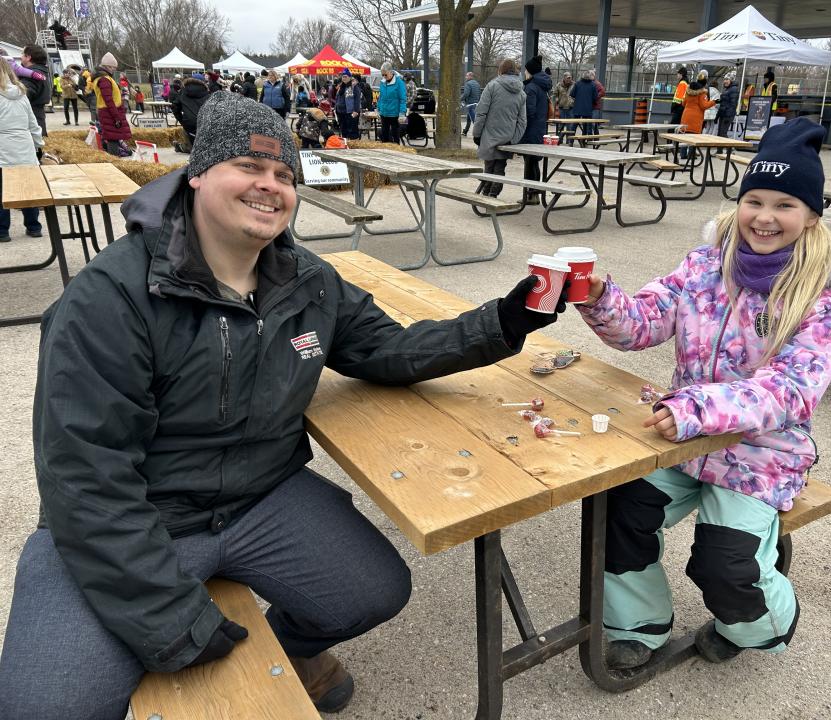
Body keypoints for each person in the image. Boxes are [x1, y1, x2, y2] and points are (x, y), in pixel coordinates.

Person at [0, 91, 567, 718]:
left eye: (284, 174)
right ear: (196, 176)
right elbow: (85, 477)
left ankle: (298, 653)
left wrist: (506, 321)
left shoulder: (306, 279)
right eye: (249, 166)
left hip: (257, 498)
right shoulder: (110, 296)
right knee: (41, 706)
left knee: (372, 590)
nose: (269, 185)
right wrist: (172, 620)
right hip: (138, 513)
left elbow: (390, 351)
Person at [575, 119, 831, 674]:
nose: (764, 216)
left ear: (811, 215)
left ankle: (763, 625)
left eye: (785, 204)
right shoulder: (704, 265)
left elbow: (790, 391)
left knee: (725, 567)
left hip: (760, 453)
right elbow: (641, 325)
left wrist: (696, 408)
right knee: (618, 510)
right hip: (684, 439)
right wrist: (597, 297)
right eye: (754, 199)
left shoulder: (823, 301)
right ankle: (638, 624)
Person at [0, 59, 44, 242]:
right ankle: (34, 227)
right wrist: (38, 144)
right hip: (25, 146)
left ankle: (2, 231)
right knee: (28, 189)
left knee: (2, 191)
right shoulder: (21, 94)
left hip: (3, 147)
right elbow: (33, 123)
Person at [472, 58, 526, 198]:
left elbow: (481, 112)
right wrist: (513, 140)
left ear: (500, 70)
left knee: (489, 167)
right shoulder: (521, 92)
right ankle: (493, 194)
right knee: (500, 167)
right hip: (507, 137)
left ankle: (486, 194)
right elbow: (522, 121)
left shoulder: (492, 86)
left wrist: (477, 134)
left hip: (489, 135)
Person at [519, 55, 551, 203]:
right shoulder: (543, 86)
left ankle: (530, 194)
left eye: (525, 70)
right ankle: (534, 193)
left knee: (530, 161)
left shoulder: (531, 87)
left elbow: (528, 111)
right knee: (534, 161)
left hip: (531, 129)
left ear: (529, 71)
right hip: (540, 127)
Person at [93, 53, 132, 157]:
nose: (114, 70)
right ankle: (113, 160)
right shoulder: (104, 79)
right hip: (109, 112)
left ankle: (113, 159)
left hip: (108, 111)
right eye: (113, 67)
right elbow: (108, 100)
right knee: (112, 138)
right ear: (107, 66)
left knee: (113, 137)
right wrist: (116, 117)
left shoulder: (104, 78)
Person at [170, 75, 210, 152]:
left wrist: (182, 120)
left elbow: (174, 107)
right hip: (205, 123)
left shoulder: (183, 91)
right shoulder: (206, 92)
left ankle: (183, 147)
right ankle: (184, 146)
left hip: (189, 124)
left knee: (193, 149)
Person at [20, 44, 51, 136]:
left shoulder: (31, 75)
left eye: (22, 54)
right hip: (37, 119)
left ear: (28, 57)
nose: (20, 57)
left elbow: (22, 95)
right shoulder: (40, 72)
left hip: (31, 124)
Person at [377, 61, 406, 144]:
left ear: (391, 72)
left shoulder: (399, 83)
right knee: (384, 135)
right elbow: (381, 97)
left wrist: (402, 112)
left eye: (385, 74)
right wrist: (378, 109)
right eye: (382, 75)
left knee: (395, 135)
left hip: (394, 114)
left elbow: (402, 99)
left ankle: (397, 151)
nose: (384, 76)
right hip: (384, 113)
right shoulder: (382, 82)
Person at [569, 70, 598, 144]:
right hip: (588, 108)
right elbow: (595, 97)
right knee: (586, 125)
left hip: (577, 108)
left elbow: (572, 94)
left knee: (574, 125)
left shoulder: (577, 83)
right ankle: (583, 140)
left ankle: (571, 141)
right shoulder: (593, 85)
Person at [335, 69, 363, 140]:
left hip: (350, 112)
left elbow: (357, 99)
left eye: (346, 76)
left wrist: (356, 110)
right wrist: (336, 109)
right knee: (344, 131)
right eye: (343, 76)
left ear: (350, 77)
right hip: (341, 112)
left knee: (352, 131)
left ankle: (353, 146)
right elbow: (337, 98)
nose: (344, 78)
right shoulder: (341, 87)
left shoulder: (354, 86)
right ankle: (345, 145)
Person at [716, 72, 738, 138]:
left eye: (727, 79)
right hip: (723, 114)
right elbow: (723, 104)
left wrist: (728, 117)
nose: (725, 81)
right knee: (719, 134)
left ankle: (729, 148)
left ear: (731, 80)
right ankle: (720, 148)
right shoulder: (727, 89)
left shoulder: (734, 89)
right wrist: (717, 116)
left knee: (723, 134)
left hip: (728, 115)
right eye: (724, 79)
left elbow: (733, 104)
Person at [460, 70, 481, 136]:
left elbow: (466, 94)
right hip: (476, 103)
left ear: (470, 76)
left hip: (470, 104)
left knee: (474, 121)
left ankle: (480, 134)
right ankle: (465, 131)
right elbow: (479, 93)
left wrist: (459, 99)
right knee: (469, 118)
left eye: (466, 76)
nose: (466, 77)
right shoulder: (477, 83)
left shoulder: (468, 84)